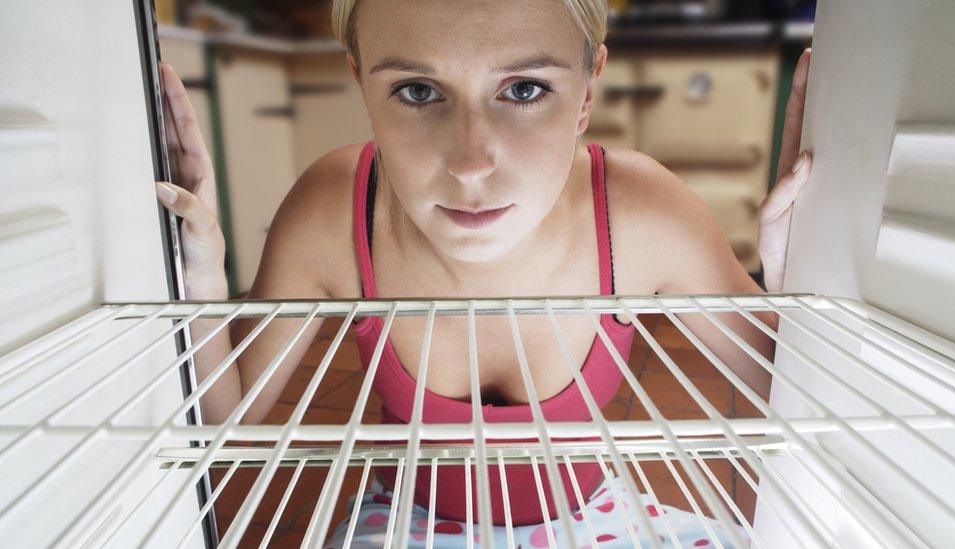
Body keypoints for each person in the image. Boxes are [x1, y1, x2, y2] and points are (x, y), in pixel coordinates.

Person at [155, 1, 812, 546]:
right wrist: (204, 273)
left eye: (524, 89)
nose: (470, 162)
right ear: (362, 85)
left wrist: (800, 283)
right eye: (417, 91)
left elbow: (793, 395)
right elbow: (227, 423)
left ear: (587, 90)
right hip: (401, 520)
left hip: (597, 519)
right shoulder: (336, 208)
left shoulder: (639, 213)